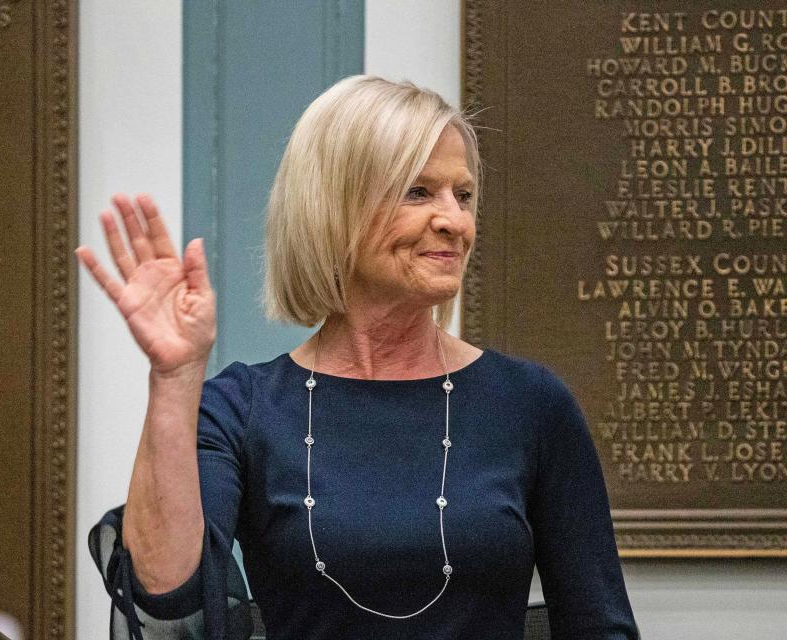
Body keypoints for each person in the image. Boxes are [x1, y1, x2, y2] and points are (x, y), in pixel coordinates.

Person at [79, 75, 640, 640]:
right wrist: (174, 378)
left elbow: (600, 626)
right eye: (418, 192)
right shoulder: (243, 408)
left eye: (462, 194)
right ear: (333, 208)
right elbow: (168, 601)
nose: (456, 221)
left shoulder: (531, 404)